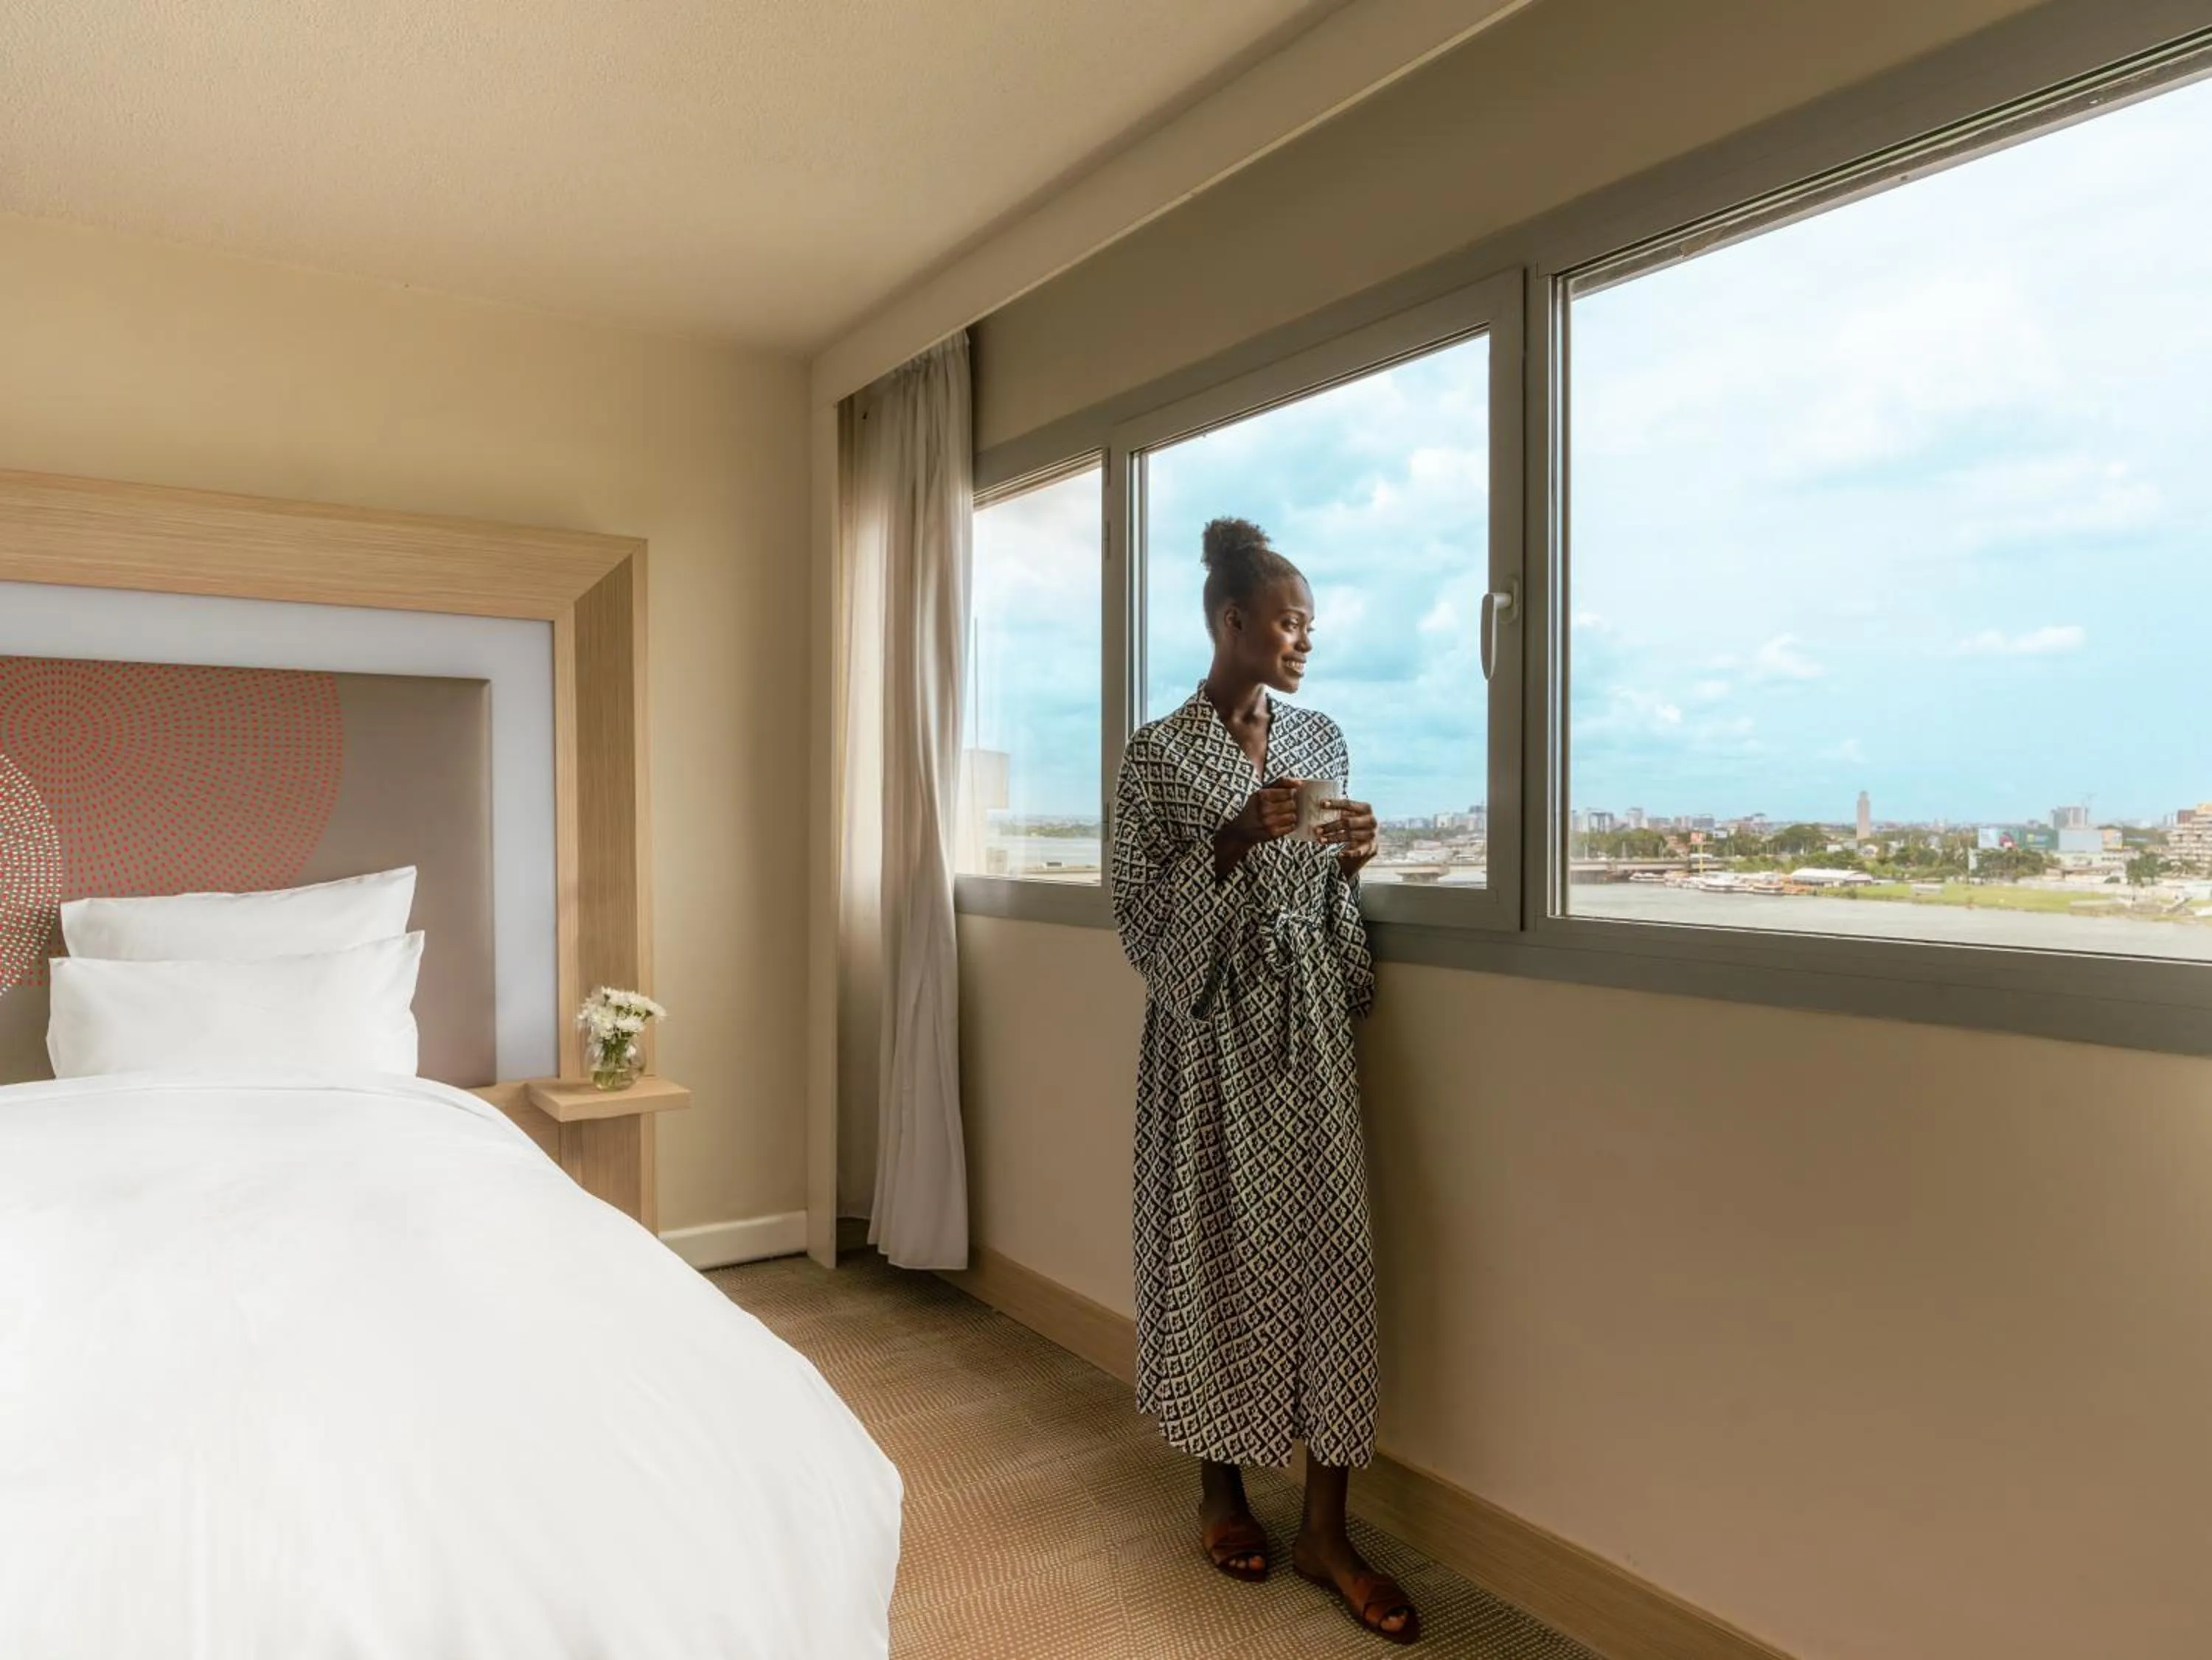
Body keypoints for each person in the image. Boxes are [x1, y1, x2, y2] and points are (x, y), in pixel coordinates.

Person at [1110, 516, 1416, 1644]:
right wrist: (1234, 838)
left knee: (1333, 1252)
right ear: (1233, 620)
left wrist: (1349, 865)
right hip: (1205, 1034)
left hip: (1308, 1033)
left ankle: (1329, 1528)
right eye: (1291, 621)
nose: (1303, 642)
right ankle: (1221, 1489)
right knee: (1215, 1245)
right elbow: (1142, 926)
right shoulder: (1155, 756)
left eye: (1311, 626)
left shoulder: (1323, 739)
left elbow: (1327, 907)